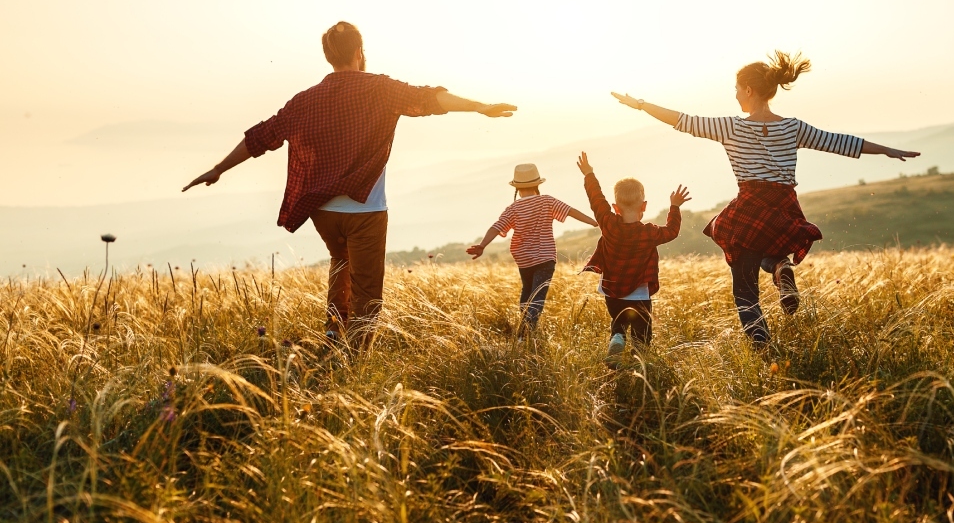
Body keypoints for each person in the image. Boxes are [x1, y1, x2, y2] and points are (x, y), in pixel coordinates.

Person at [183, 21, 516, 350]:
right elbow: (430, 98)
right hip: (366, 211)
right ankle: (356, 358)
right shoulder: (380, 89)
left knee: (340, 264)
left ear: (329, 56)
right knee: (367, 290)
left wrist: (218, 169)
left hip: (323, 213)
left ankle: (333, 336)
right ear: (359, 52)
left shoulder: (304, 101)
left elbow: (262, 136)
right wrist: (480, 107)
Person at [611, 50, 919, 347]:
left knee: (744, 288)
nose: (734, 96)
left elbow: (681, 120)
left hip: (750, 205)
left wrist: (640, 105)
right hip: (784, 206)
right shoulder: (792, 127)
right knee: (767, 249)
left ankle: (761, 343)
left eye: (736, 89)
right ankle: (779, 268)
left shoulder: (731, 127)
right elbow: (839, 142)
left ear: (748, 89)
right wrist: (887, 150)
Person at [576, 151, 688, 367]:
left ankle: (617, 337)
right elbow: (672, 231)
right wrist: (674, 206)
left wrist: (589, 174)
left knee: (618, 322)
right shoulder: (649, 233)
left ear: (615, 207)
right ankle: (639, 363)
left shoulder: (608, 223)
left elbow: (596, 199)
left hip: (611, 289)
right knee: (641, 331)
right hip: (639, 292)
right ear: (644, 206)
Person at [466, 164, 597, 336]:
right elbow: (571, 211)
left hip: (524, 259)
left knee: (527, 292)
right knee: (538, 296)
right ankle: (527, 333)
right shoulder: (547, 201)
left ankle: (523, 331)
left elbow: (496, 227)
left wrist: (482, 245)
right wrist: (595, 222)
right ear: (537, 185)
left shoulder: (513, 209)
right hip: (545, 258)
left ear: (517, 188)